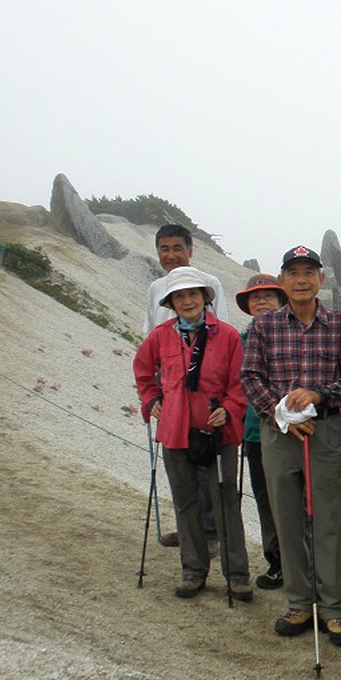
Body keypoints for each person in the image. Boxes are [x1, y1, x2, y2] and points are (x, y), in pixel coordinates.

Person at [240, 245, 341, 646]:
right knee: (288, 520)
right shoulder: (265, 327)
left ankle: (334, 610)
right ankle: (299, 602)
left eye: (309, 272)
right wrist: (279, 412)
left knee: (330, 521)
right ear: (282, 281)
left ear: (321, 279)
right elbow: (250, 376)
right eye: (293, 273)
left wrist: (318, 394)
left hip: (326, 430)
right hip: (279, 435)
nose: (301, 280)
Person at [133, 266, 252, 601]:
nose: (187, 300)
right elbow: (143, 370)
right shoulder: (160, 336)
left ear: (204, 298)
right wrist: (152, 398)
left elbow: (238, 382)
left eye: (193, 294)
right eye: (180, 296)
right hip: (174, 430)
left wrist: (229, 409)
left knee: (225, 500)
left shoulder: (227, 335)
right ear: (171, 302)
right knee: (185, 503)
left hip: (218, 431)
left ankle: (237, 574)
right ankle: (193, 571)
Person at [144, 223, 227, 551]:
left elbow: (221, 334)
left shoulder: (210, 284)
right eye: (164, 249)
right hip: (170, 385)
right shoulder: (155, 288)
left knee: (204, 459)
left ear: (191, 250)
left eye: (177, 248)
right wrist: (151, 391)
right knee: (177, 462)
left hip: (203, 387)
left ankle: (209, 533)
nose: (171, 255)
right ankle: (188, 529)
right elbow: (150, 336)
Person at [234, 273, 288, 590]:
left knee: (293, 500)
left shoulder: (294, 337)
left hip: (290, 430)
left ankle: (301, 562)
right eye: (255, 298)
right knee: (266, 500)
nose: (262, 302)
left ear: (281, 301)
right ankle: (278, 562)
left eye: (269, 296)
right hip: (254, 432)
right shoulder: (240, 342)